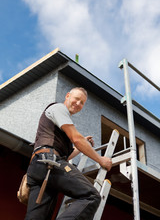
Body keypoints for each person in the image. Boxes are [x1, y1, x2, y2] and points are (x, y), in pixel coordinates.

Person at [25, 87, 112, 220]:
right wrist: (101, 160)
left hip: (40, 168)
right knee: (91, 196)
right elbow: (76, 139)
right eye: (76, 99)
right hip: (49, 162)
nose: (78, 104)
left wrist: (83, 144)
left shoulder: (59, 124)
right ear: (67, 96)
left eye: (82, 102)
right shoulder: (58, 108)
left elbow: (66, 156)